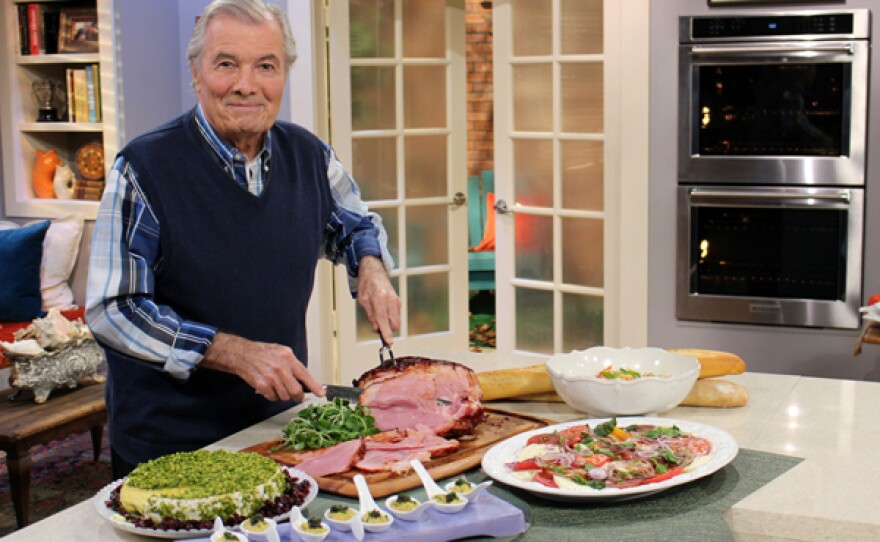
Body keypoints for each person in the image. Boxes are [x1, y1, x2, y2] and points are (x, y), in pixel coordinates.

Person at [85, 0, 401, 480]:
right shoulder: (143, 168)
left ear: (284, 75)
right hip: (173, 445)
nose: (246, 84)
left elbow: (355, 224)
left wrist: (372, 268)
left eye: (265, 66)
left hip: (278, 430)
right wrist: (231, 352)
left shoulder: (310, 155)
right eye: (227, 64)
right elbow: (113, 310)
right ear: (197, 72)